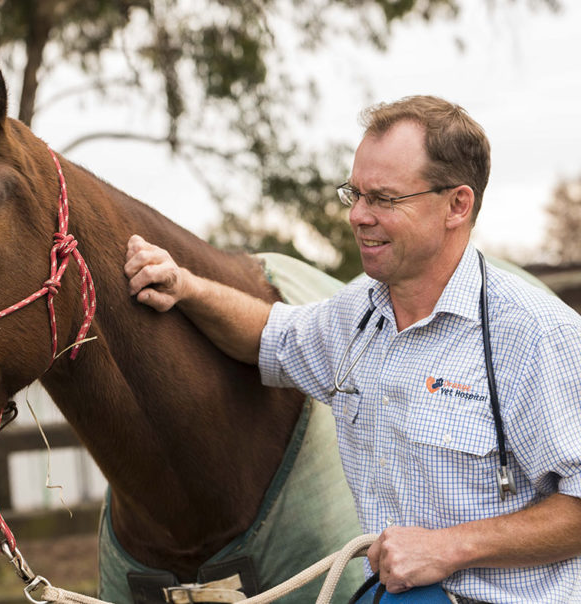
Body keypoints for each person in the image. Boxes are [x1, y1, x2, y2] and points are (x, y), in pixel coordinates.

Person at [123, 95, 581, 603]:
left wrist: (450, 548)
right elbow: (268, 336)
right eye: (355, 193)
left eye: (384, 198)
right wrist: (187, 287)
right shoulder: (354, 317)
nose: (357, 216)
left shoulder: (537, 334)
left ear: (457, 205)